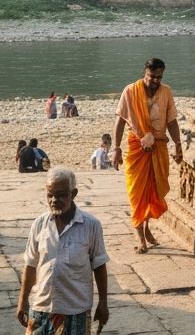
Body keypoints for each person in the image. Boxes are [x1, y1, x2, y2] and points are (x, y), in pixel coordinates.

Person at [16, 167, 109, 335]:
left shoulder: (91, 225)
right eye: (50, 195)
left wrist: (103, 303)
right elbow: (30, 265)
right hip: (41, 308)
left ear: (73, 194)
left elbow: (99, 265)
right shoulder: (39, 224)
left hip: (75, 310)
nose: (54, 200)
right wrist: (22, 301)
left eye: (60, 195)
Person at [112, 57, 184, 254]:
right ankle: (140, 238)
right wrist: (116, 148)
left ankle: (146, 228)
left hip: (159, 147)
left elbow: (171, 121)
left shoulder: (166, 92)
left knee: (153, 192)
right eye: (152, 76)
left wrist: (178, 144)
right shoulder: (130, 91)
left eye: (159, 77)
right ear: (145, 73)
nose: (155, 81)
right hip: (137, 148)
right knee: (136, 193)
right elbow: (120, 121)